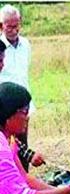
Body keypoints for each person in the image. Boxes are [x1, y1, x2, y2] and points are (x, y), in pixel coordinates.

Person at [0, 5, 34, 172]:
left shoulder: (26, 45)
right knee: (5, 149)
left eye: (16, 25)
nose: (13, 30)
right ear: (1, 26)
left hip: (22, 106)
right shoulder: (0, 49)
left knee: (22, 149)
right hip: (4, 108)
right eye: (9, 26)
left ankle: (23, 185)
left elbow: (24, 74)